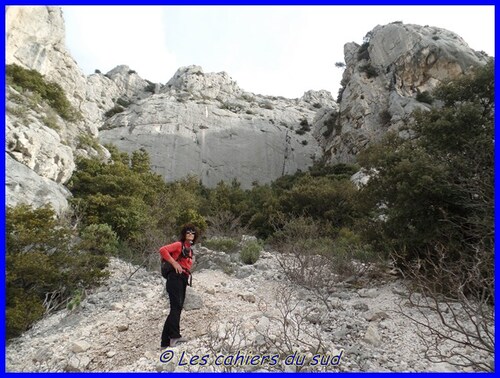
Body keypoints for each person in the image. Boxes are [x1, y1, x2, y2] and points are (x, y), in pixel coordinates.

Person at [159, 224, 196, 348]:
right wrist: (174, 263)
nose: (191, 234)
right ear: (184, 234)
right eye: (188, 232)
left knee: (177, 308)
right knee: (176, 307)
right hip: (175, 277)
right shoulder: (179, 245)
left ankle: (165, 342)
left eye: (193, 233)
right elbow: (162, 250)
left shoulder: (190, 250)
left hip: (182, 278)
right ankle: (175, 337)